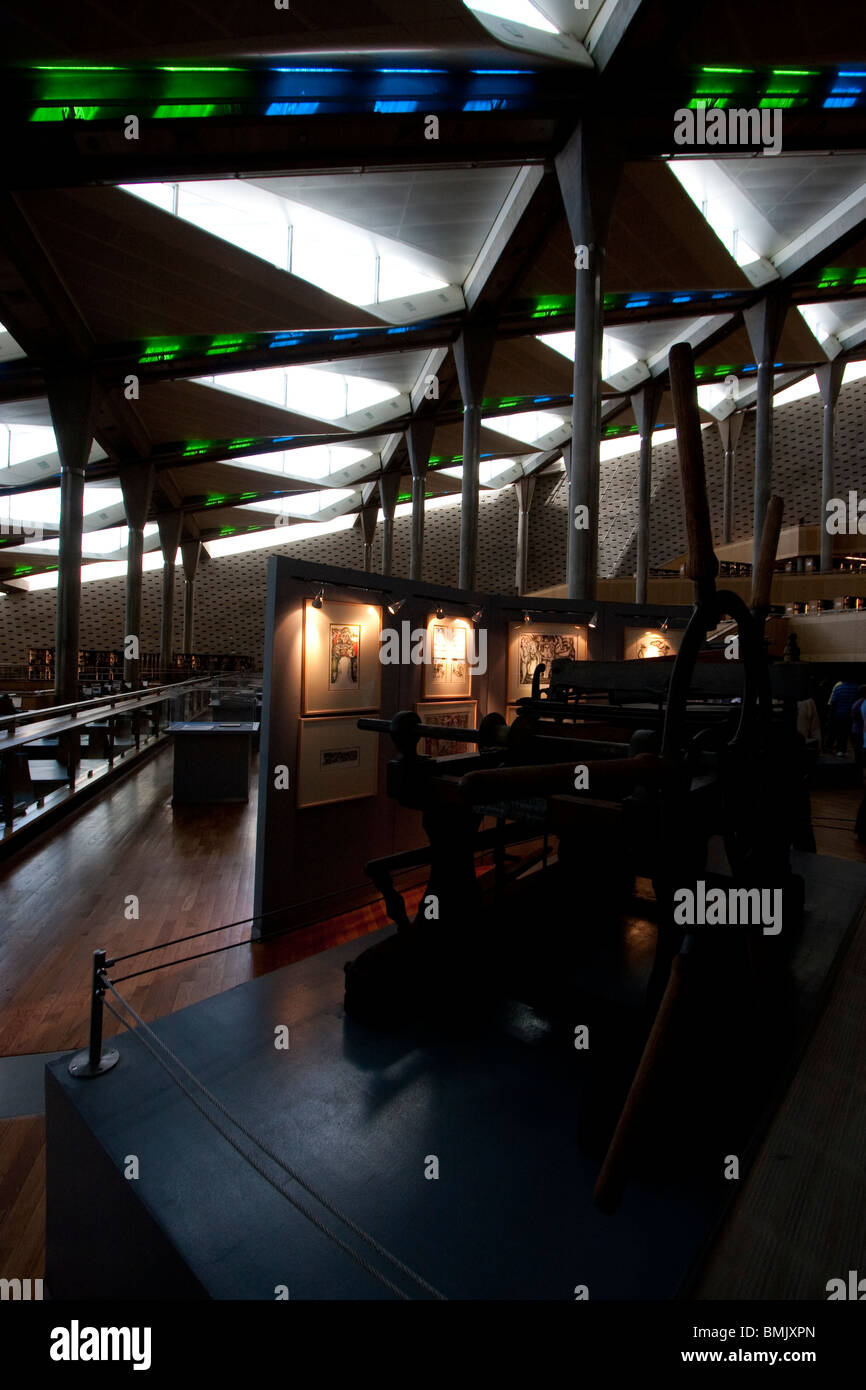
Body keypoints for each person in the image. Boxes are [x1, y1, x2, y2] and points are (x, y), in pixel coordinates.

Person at [828, 676, 861, 757]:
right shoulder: (857, 688)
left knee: (841, 734)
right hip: (853, 716)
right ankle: (857, 752)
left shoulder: (838, 688)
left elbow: (832, 703)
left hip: (840, 715)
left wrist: (831, 716)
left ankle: (840, 751)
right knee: (854, 735)